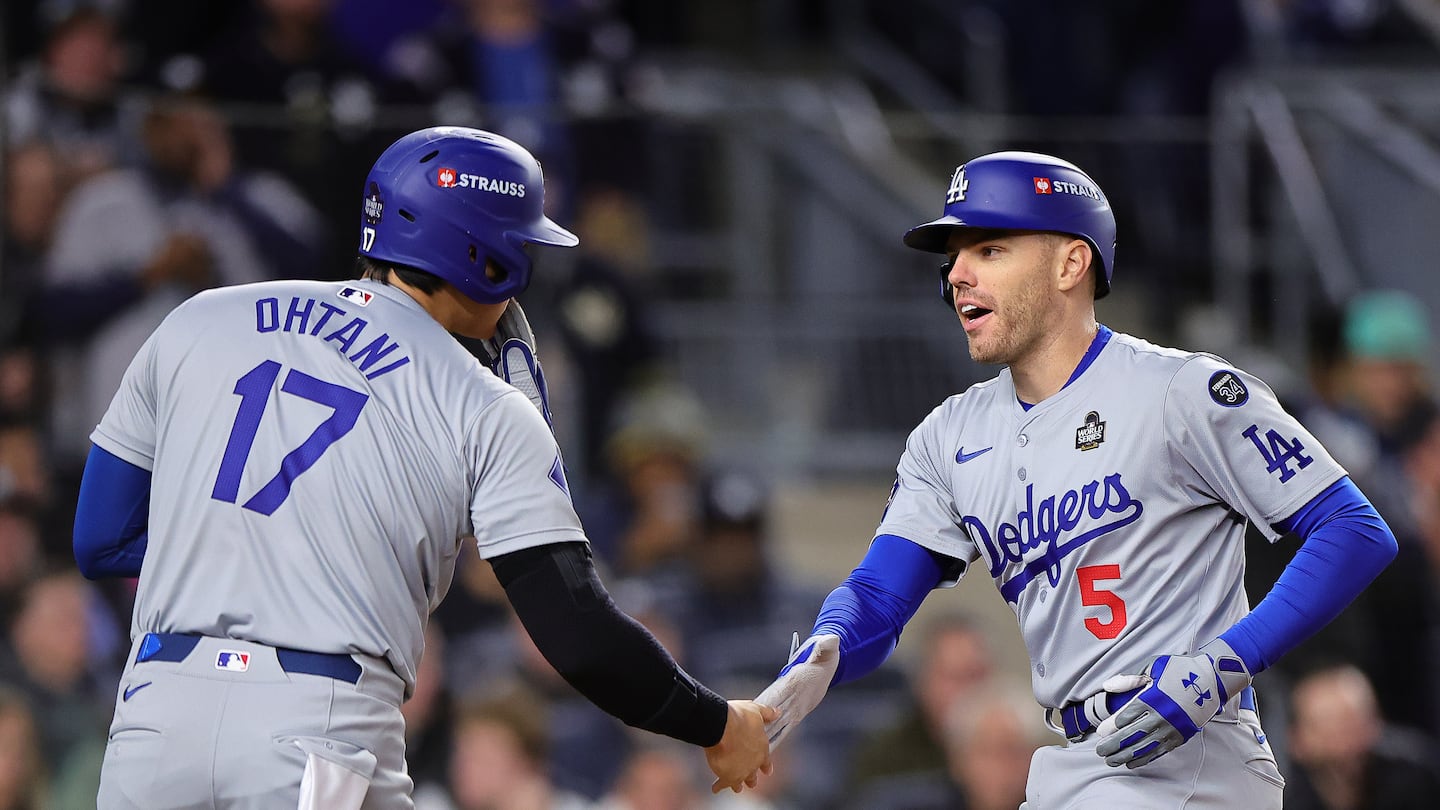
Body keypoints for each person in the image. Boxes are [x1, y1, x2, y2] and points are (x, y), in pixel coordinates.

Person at [72, 126, 773, 809]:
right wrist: (715, 722)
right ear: (487, 259)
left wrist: (247, 557)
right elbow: (578, 634)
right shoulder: (481, 402)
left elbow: (99, 538)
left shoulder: (200, 318)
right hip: (317, 724)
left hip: (155, 716)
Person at [750, 151, 1399, 809]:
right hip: (1080, 760)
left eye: (990, 248)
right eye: (955, 255)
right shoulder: (950, 437)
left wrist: (1224, 665)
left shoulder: (1179, 391)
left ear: (1070, 263)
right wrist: (819, 658)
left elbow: (1353, 529)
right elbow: (879, 595)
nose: (958, 273)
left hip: (1194, 760)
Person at [1284, 663, 1440, 810]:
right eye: (1330, 729)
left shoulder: (1415, 778)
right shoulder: (1280, 797)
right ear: (1297, 739)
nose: (1344, 745)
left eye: (1353, 725)